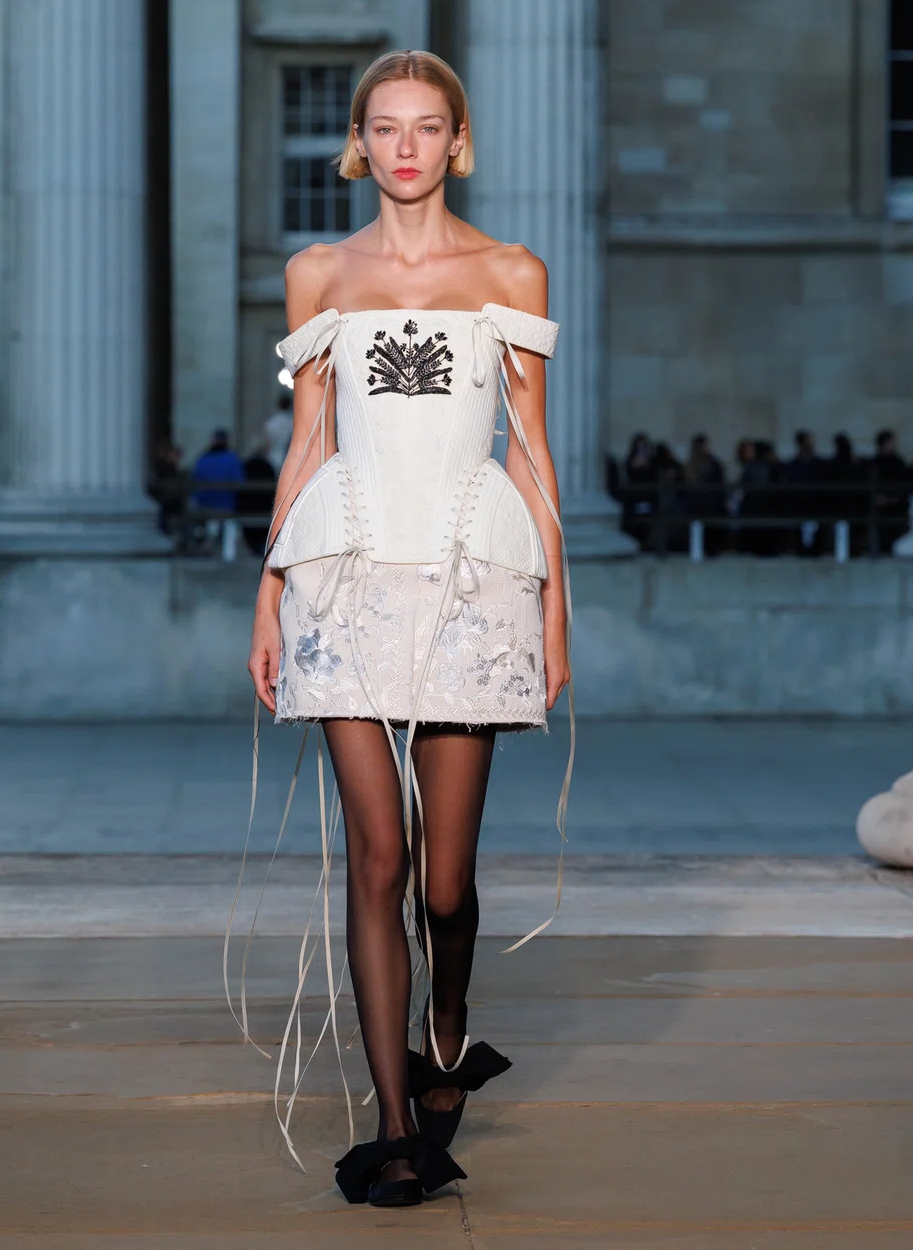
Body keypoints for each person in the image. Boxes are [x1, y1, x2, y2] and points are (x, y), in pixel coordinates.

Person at [240, 50, 571, 1208]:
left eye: (427, 126)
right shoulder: (318, 273)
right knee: (376, 855)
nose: (405, 147)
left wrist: (555, 608)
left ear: (457, 141)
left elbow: (530, 448)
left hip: (476, 580)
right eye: (385, 126)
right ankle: (393, 1125)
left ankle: (447, 1021)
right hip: (343, 577)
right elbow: (307, 442)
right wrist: (269, 590)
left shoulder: (509, 270)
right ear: (359, 142)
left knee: (443, 881)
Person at [870, 428, 910, 553]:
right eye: (890, 442)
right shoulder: (875, 463)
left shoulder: (898, 463)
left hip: (897, 506)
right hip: (880, 508)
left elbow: (903, 484)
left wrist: (893, 499)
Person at [191, 428, 245, 513]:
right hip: (226, 506)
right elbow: (239, 483)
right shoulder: (232, 459)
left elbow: (194, 481)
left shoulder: (203, 459)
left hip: (205, 505)